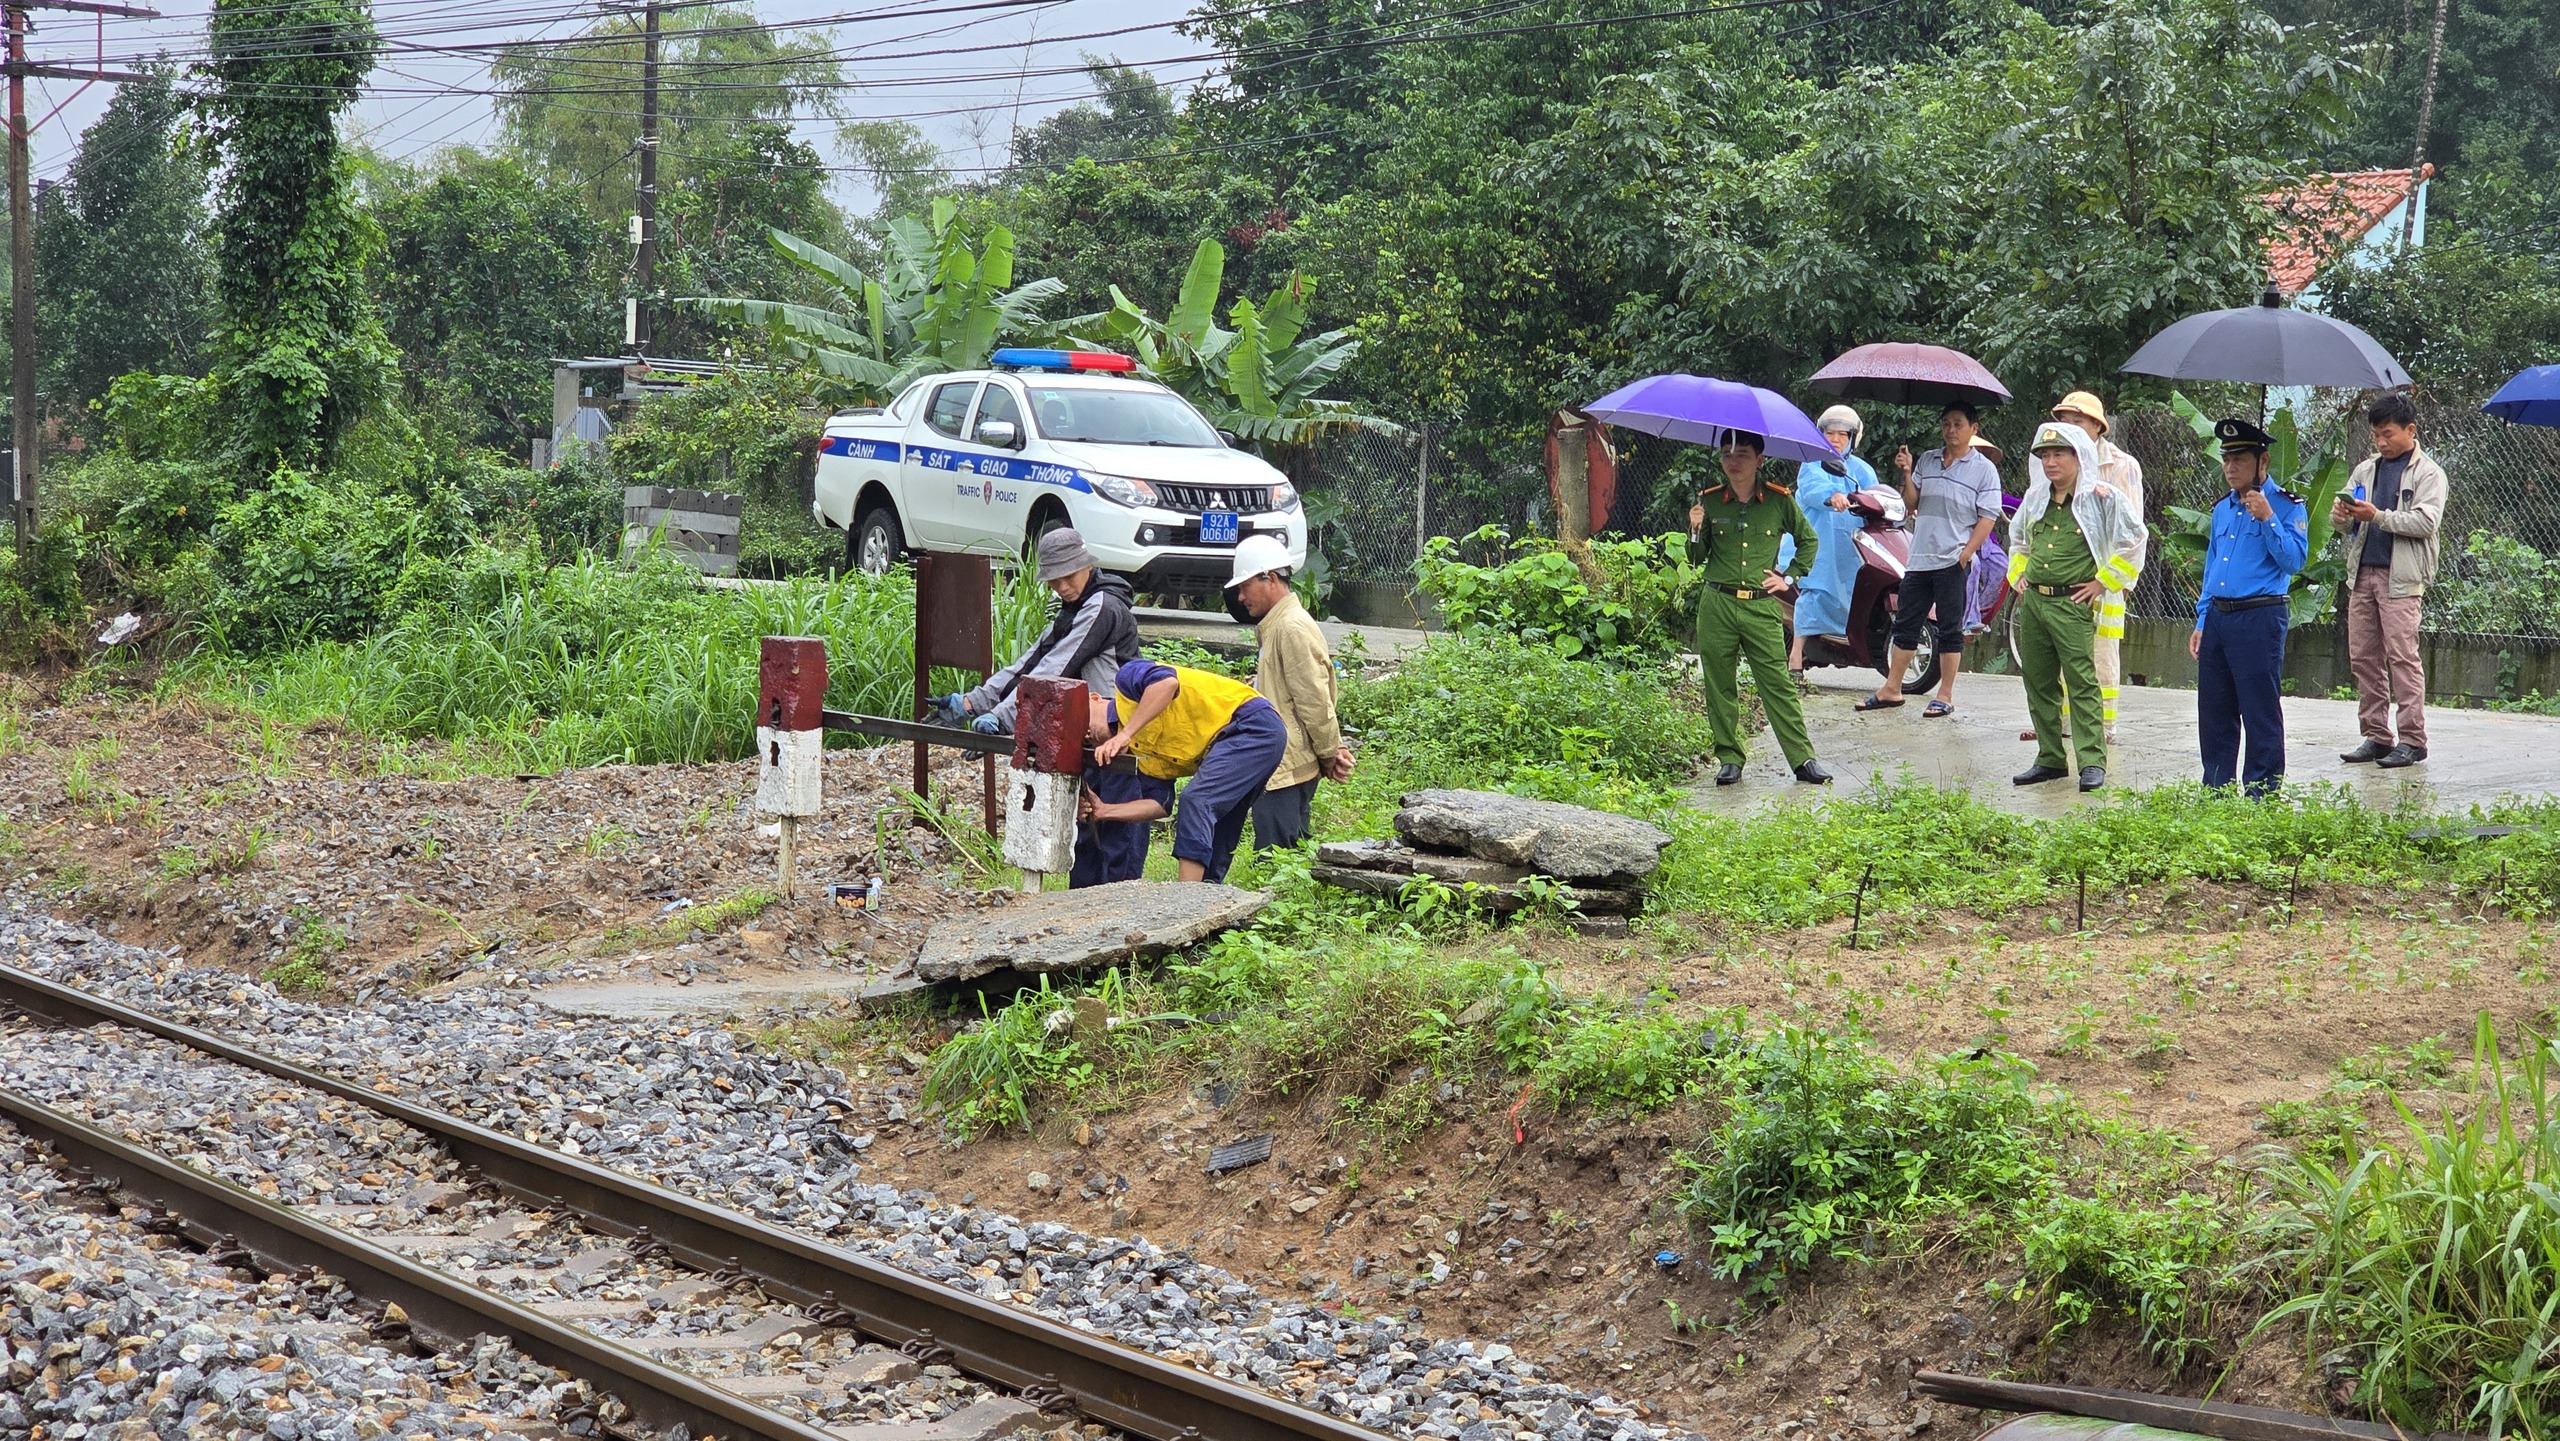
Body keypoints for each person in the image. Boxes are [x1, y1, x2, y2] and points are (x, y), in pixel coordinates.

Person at [2005, 422, 2145, 792]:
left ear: (2078, 456)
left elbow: (2135, 538)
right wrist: (2017, 574)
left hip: (2072, 604)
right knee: (2037, 682)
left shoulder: (2101, 497)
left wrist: (2105, 581)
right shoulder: (2036, 497)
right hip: (2034, 602)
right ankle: (2049, 758)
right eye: (2045, 455)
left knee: (2083, 683)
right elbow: (2017, 538)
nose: (2051, 462)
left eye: (2058, 454)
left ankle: (2091, 763)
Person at [1687, 431, 1832, 787]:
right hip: (1717, 603)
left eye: (1743, 454)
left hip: (1760, 606)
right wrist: (1693, 530)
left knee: (1777, 684)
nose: (1733, 461)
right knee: (1719, 684)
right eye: (1726, 454)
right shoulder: (1709, 502)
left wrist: (1790, 577)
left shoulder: (1779, 500)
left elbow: (1808, 540)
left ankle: (1803, 759)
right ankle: (1729, 758)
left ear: (1760, 460)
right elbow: (1695, 558)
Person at [1861, 402, 2003, 717]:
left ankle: (1945, 694)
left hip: (1952, 561)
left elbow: (1988, 516)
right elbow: (1912, 503)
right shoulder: (1927, 459)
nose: (1950, 430)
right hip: (1919, 558)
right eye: (1946, 424)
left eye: (1957, 424)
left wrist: (1966, 554)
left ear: (1973, 429)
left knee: (1950, 629)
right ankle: (1892, 688)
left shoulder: (1984, 470)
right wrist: (1908, 472)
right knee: (1906, 624)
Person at [2192, 418, 2309, 796]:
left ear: (2264, 462)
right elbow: (2213, 566)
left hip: (2259, 616)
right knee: (2214, 710)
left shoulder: (2287, 506)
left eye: (2240, 460)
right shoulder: (2222, 509)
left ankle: (2262, 791)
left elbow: (2294, 562)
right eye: (2226, 460)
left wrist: (2269, 519)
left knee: (2259, 708)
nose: (2230, 468)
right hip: (2219, 618)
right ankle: (2217, 790)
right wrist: (2202, 618)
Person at [1093, 659, 1288, 883]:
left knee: (1197, 800)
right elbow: (1159, 805)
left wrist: (1125, 733)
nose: (1086, 734)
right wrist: (1104, 811)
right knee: (1221, 821)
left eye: (1079, 721)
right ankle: (1208, 898)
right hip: (1236, 742)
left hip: (1251, 722)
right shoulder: (1142, 755)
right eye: (1083, 739)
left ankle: (1187, 899)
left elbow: (1166, 683)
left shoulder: (1127, 681)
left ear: (1095, 697)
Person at [2332, 392, 2445, 769]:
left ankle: (2413, 740)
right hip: (2362, 573)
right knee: (2363, 656)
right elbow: (2346, 523)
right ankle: (2377, 736)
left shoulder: (2429, 473)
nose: (2381, 442)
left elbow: (2425, 522)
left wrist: (2377, 515)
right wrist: (2342, 515)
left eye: (2388, 434)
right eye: (2376, 435)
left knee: (2402, 658)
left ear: (2410, 430)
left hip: (2402, 578)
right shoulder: (2366, 469)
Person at [1221, 534, 1355, 851]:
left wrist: (1330, 752)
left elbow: (1314, 701)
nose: (1240, 597)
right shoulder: (1277, 625)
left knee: (1276, 861)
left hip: (1286, 766)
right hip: (1284, 761)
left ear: (1269, 578)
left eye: (1244, 586)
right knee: (1290, 861)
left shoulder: (1290, 627)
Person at [940, 528, 1139, 735]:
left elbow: (1055, 668)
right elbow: (1029, 663)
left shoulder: (1103, 607)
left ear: (1088, 565)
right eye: (1054, 579)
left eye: (1069, 576)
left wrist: (1002, 718)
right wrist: (970, 703)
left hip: (1116, 722)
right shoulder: (1075, 607)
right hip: (1091, 724)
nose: (1062, 587)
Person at [2049, 392, 2148, 742]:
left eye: (2078, 421)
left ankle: (2103, 728)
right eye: (2064, 421)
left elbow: (2133, 530)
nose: (2070, 428)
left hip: (2102, 577)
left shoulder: (2121, 465)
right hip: (2062, 573)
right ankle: (2061, 724)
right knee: (2062, 651)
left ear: (2097, 426)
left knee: (2100, 653)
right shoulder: (2055, 462)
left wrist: (2110, 580)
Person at [1785, 405, 1895, 675]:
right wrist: (1832, 495)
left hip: (1852, 545)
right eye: (1829, 433)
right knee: (1815, 593)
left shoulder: (1863, 470)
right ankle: (1795, 656)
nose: (1835, 439)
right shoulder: (1812, 462)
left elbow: (1876, 496)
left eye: (1842, 434)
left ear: (1854, 437)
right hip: (1820, 544)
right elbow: (1812, 489)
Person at [1072, 692, 1175, 886]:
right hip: (1089, 753)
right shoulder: (1087, 732)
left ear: (1095, 697)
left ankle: (1120, 902)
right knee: (1085, 837)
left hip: (1128, 738)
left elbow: (1162, 802)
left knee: (1121, 846)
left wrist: (1124, 733)